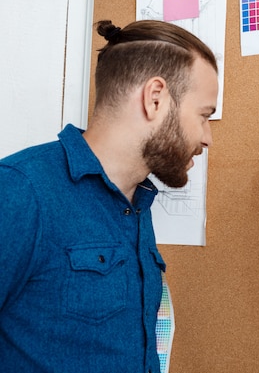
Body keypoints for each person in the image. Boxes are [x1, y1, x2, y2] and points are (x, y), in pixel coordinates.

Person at [0, 19, 218, 372]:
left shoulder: (138, 202)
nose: (208, 138)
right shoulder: (21, 190)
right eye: (204, 116)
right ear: (155, 98)